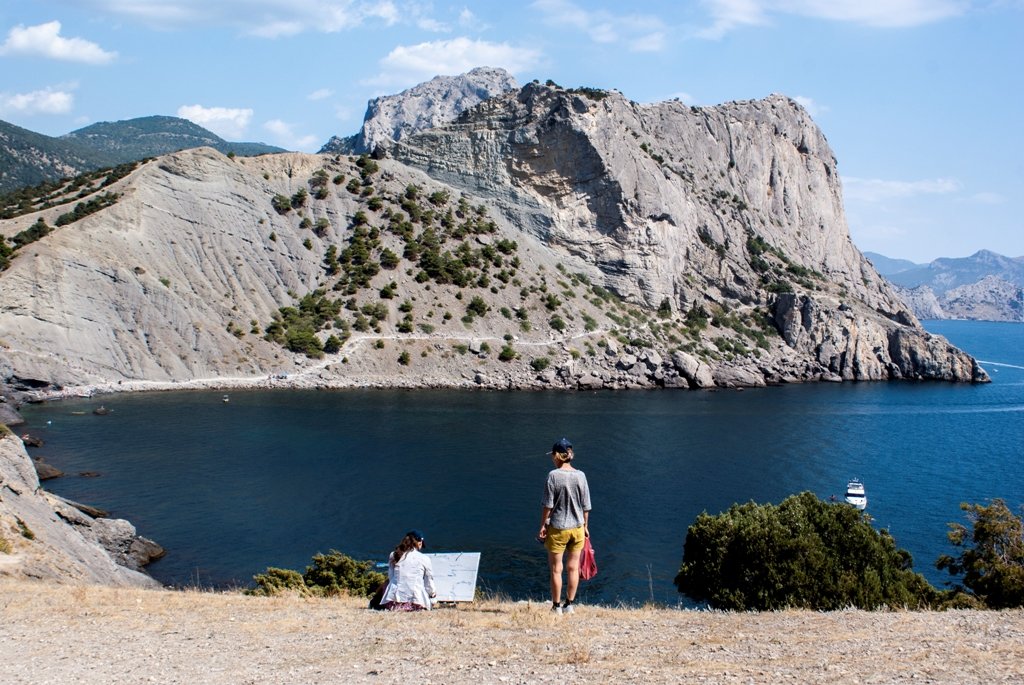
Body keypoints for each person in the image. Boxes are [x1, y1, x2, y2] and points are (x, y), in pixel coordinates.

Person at [538, 437, 591, 615]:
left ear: (558, 456)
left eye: (553, 455)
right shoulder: (581, 475)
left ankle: (556, 606)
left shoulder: (553, 476)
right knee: (573, 568)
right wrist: (585, 526)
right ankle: (570, 604)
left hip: (558, 528)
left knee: (556, 569)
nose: (552, 458)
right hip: (577, 528)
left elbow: (548, 505)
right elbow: (586, 505)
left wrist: (542, 525)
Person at [379, 529, 437, 611]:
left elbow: (391, 577)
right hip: (416, 602)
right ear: (419, 542)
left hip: (394, 603)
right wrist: (432, 595)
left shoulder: (394, 555)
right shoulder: (424, 558)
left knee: (386, 583)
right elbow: (429, 581)